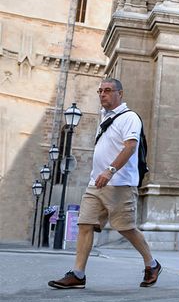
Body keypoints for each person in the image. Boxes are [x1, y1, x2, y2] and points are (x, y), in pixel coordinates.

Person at [48, 78, 161, 290]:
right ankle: (78, 274)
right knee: (85, 224)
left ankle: (152, 264)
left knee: (126, 228)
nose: (102, 94)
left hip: (120, 183)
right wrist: (100, 174)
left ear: (120, 93)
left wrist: (110, 170)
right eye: (100, 91)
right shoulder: (104, 117)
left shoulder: (129, 118)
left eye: (108, 90)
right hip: (96, 182)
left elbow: (130, 147)